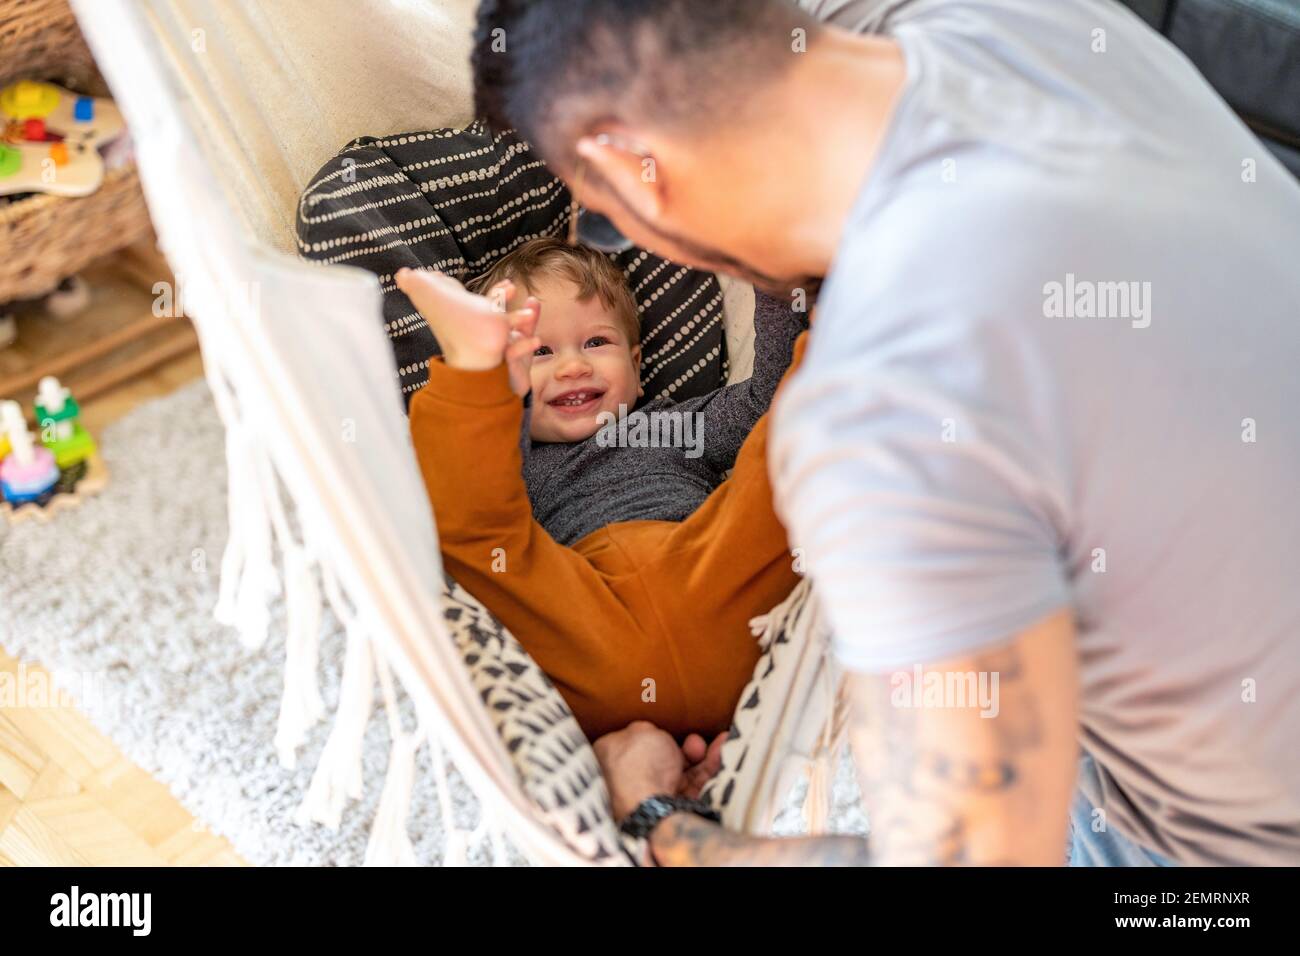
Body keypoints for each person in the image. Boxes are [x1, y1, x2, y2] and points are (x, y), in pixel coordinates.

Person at [469, 0, 1300, 865]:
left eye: (603, 214)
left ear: (633, 167)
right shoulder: (1020, 20)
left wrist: (658, 823)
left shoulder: (887, 406)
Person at [398, 237, 805, 740]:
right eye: (539, 352)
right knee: (468, 525)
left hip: (719, 579)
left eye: (596, 343)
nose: (573, 366)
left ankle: (797, 263)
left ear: (636, 369)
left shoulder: (667, 425)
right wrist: (495, 404)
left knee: (793, 434)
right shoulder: (510, 460)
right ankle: (473, 368)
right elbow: (458, 493)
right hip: (581, 623)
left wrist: (777, 288)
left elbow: (765, 402)